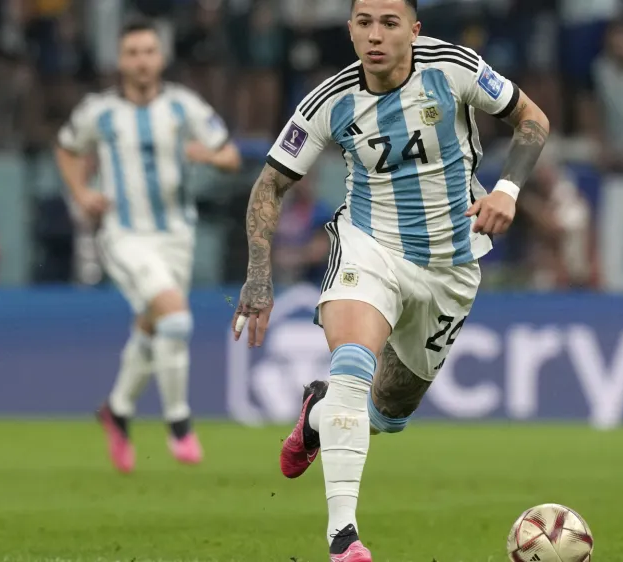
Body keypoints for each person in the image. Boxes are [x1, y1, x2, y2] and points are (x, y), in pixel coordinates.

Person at [231, 0, 550, 559]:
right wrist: (259, 277)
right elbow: (268, 186)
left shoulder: (452, 68)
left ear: (414, 30)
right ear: (350, 30)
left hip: (452, 265)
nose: (375, 35)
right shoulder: (329, 102)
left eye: (389, 23)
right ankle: (343, 536)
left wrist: (508, 189)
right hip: (368, 245)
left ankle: (318, 414)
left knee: (387, 412)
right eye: (364, 23)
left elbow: (533, 119)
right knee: (352, 362)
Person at [55, 19, 241, 471]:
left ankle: (116, 411)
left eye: (148, 52)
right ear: (120, 61)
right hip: (123, 234)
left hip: (177, 235)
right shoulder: (99, 111)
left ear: (161, 58)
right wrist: (81, 193)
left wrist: (210, 156)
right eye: (132, 52)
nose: (141, 60)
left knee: (153, 325)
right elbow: (66, 148)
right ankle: (179, 421)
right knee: (175, 316)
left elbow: (231, 156)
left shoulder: (183, 106)